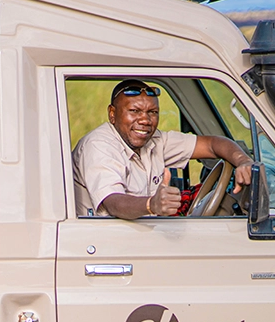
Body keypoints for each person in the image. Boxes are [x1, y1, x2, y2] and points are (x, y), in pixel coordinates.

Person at [72, 79, 254, 219]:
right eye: (134, 111)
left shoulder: (154, 140)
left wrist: (243, 161)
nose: (145, 120)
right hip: (106, 245)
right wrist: (152, 205)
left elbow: (212, 144)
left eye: (152, 112)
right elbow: (113, 203)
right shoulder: (99, 145)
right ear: (112, 114)